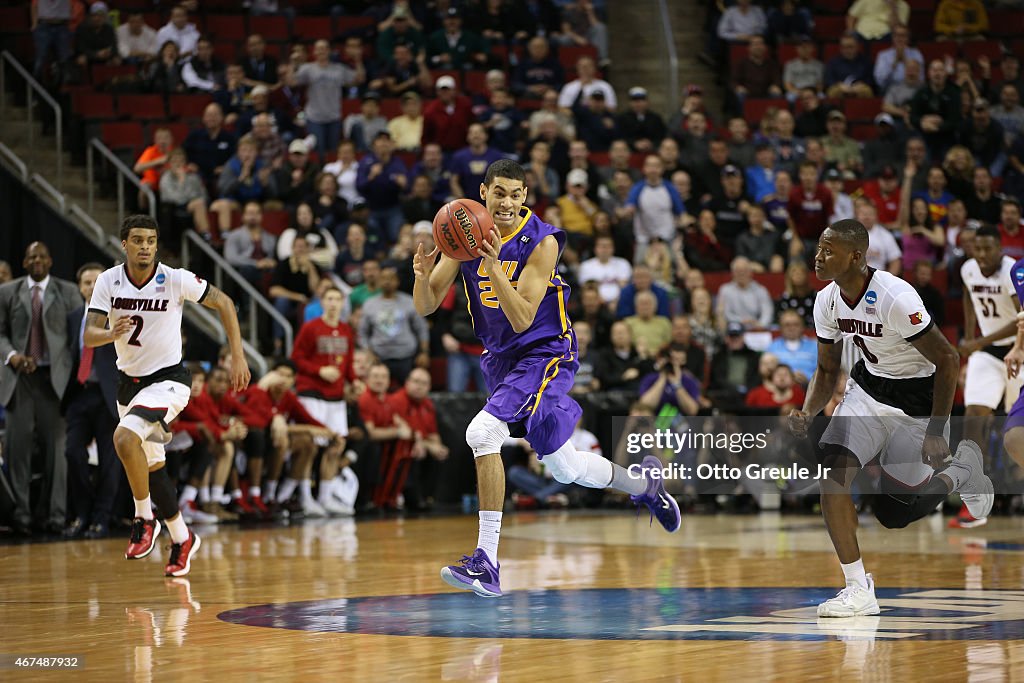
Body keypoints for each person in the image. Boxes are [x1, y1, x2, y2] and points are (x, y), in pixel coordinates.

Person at [413, 159, 682, 598]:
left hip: (546, 352)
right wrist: (423, 279)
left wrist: (495, 266)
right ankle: (645, 486)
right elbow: (425, 306)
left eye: (515, 194)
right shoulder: (462, 226)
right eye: (498, 192)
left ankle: (487, 562)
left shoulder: (542, 240)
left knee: (482, 432)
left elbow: (521, 318)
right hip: (501, 361)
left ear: (525, 196)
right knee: (565, 467)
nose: (506, 201)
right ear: (483, 193)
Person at [788, 219, 992, 617]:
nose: (818, 257)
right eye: (818, 248)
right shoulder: (826, 300)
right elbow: (827, 370)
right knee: (832, 472)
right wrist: (808, 410)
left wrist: (935, 431)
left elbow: (949, 359)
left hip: (917, 401)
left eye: (828, 250)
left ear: (857, 257)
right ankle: (857, 588)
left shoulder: (895, 297)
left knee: (895, 514)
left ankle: (962, 471)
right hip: (868, 391)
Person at [84, 215, 249, 575]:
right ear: (124, 244)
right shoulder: (107, 282)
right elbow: (89, 335)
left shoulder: (174, 278)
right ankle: (182, 536)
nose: (145, 246)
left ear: (157, 245)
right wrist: (112, 332)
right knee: (154, 471)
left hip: (170, 380)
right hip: (129, 384)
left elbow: (224, 302)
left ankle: (144, 519)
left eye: (151, 240)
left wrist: (237, 354)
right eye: (138, 240)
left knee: (124, 438)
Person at [0, 242, 82, 536]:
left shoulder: (69, 292)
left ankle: (55, 516)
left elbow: (77, 337)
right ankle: (20, 517)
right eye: (31, 256)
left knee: (56, 453)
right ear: (24, 262)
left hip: (54, 381)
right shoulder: (7, 292)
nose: (37, 260)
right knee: (17, 451)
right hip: (18, 379)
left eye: (42, 256)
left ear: (50, 261)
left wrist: (72, 372)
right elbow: (0, 333)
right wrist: (12, 356)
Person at [954, 224, 1021, 527]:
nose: (981, 255)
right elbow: (969, 298)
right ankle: (976, 498)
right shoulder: (968, 269)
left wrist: (977, 341)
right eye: (976, 249)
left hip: (1018, 350)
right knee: (974, 417)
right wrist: (971, 339)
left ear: (1000, 248)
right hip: (987, 354)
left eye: (987, 249)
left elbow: (1023, 318)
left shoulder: (1013, 271)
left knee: (1016, 431)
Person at [63, 263, 119, 540]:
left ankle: (102, 518)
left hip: (108, 395)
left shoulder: (117, 315)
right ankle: (82, 513)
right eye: (86, 282)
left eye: (97, 281)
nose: (91, 286)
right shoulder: (73, 317)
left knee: (110, 461)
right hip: (79, 393)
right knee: (72, 452)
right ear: (79, 287)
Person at [289, 39, 365, 158]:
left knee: (333, 152)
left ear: (329, 51)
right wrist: (292, 64)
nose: (321, 51)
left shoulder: (339, 69)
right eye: (318, 48)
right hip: (314, 117)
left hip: (333, 116)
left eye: (324, 48)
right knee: (318, 151)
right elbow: (291, 82)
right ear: (314, 52)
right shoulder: (308, 68)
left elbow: (359, 79)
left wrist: (358, 60)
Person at [765, 309, 818, 384]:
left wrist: (809, 379)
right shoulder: (772, 347)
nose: (791, 328)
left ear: (802, 327)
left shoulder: (815, 347)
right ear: (780, 327)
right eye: (787, 325)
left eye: (796, 324)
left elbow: (822, 372)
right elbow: (767, 373)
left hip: (809, 388)